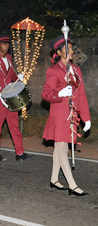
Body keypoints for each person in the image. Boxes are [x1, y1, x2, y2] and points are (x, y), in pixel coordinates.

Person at [41, 35, 91, 196]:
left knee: (59, 148)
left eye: (71, 48)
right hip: (59, 114)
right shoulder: (53, 71)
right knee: (63, 149)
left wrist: (86, 118)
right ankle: (72, 185)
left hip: (72, 115)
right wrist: (60, 93)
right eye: (67, 49)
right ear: (59, 52)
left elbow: (81, 94)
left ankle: (54, 179)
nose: (70, 51)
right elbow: (46, 94)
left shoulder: (76, 70)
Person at [0, 34, 35, 161]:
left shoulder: (9, 58)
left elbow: (11, 75)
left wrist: (19, 78)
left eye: (8, 44)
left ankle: (20, 153)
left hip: (10, 98)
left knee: (14, 126)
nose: (6, 46)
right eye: (3, 44)